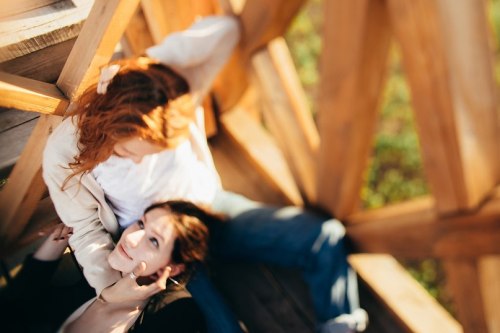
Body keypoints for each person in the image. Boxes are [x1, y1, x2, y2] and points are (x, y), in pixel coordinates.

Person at [42, 14, 368, 333]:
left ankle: (341, 326)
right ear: (107, 123)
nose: (140, 164)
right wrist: (114, 290)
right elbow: (85, 231)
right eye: (128, 153)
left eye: (153, 155)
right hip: (159, 252)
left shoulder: (168, 90)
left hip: (209, 207)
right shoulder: (65, 151)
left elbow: (225, 32)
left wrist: (148, 69)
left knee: (323, 235)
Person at [61, 200, 215, 333]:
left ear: (173, 268)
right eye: (141, 224)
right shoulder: (104, 267)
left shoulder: (177, 313)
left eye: (154, 241)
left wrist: (107, 301)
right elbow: (48, 309)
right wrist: (52, 248)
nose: (130, 238)